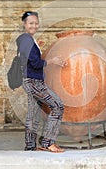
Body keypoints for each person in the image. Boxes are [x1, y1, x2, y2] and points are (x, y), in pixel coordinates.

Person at [16, 11, 67, 153]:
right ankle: (47, 142)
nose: (34, 26)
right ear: (24, 24)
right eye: (31, 23)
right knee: (58, 105)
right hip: (34, 82)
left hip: (29, 80)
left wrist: (36, 47)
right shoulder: (26, 40)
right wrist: (53, 61)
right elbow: (35, 63)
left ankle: (30, 146)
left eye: (36, 23)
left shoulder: (27, 40)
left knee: (33, 115)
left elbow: (29, 57)